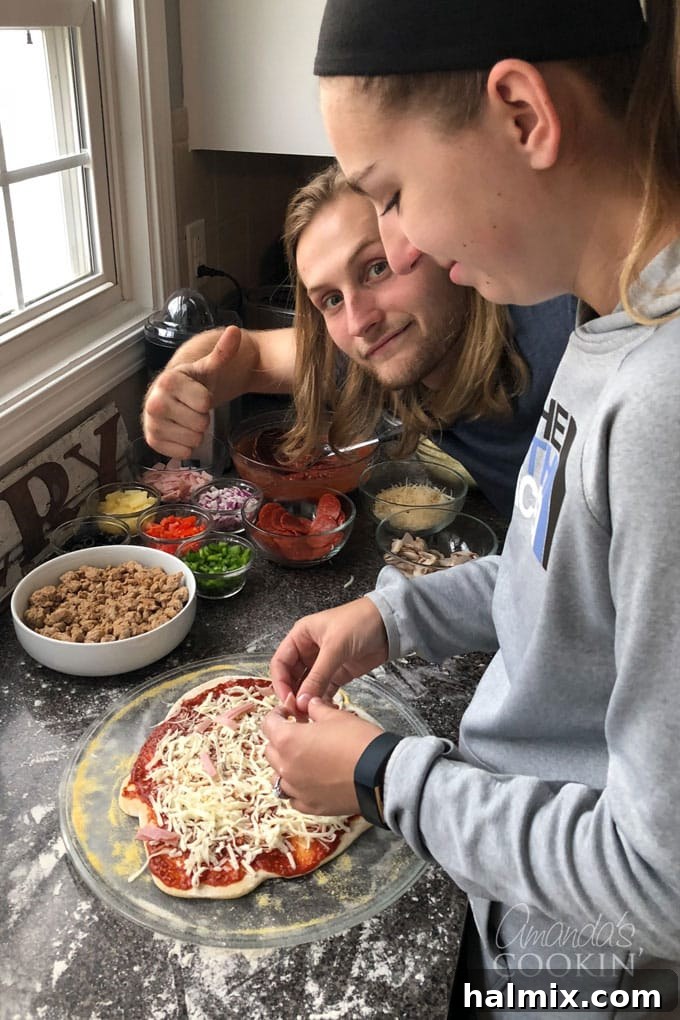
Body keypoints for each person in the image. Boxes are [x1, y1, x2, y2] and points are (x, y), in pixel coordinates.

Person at [262, 0, 680, 1016]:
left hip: (583, 978)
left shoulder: (663, 404)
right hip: (518, 897)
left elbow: (658, 886)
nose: (399, 239)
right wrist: (392, 614)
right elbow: (565, 581)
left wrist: (379, 777)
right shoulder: (609, 329)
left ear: (521, 114)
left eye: (392, 193)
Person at [143, 164, 576, 518]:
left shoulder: (559, 337)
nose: (359, 321)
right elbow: (242, 355)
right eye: (331, 299)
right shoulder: (375, 351)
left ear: (433, 243)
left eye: (376, 269)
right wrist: (181, 381)